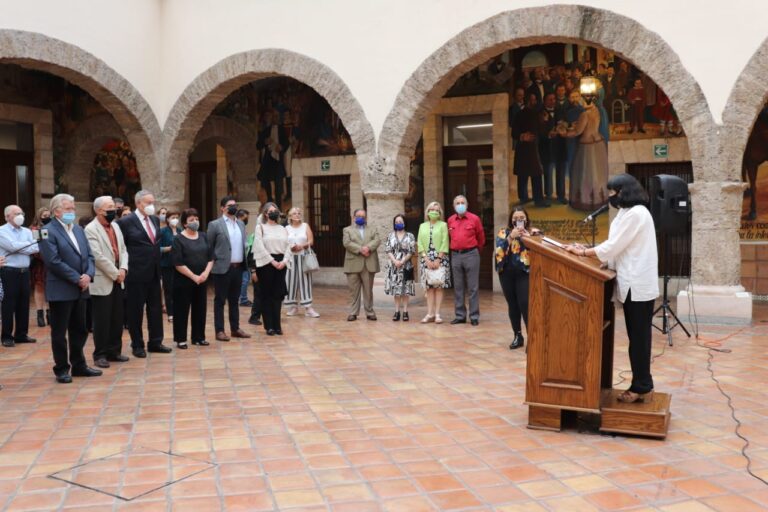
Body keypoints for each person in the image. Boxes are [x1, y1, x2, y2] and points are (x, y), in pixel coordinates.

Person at [566, 174, 659, 403]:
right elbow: (617, 248)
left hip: (638, 285)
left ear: (624, 191)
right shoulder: (626, 213)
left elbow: (614, 246)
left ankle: (641, 385)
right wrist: (594, 255)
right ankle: (641, 383)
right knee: (636, 337)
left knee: (638, 338)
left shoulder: (637, 213)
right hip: (630, 283)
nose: (610, 196)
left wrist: (584, 252)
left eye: (613, 192)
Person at [39, 194, 101, 383]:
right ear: (56, 211)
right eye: (68, 209)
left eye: (73, 208)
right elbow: (53, 261)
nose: (72, 212)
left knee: (79, 329)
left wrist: (88, 275)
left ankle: (79, 365)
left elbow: (90, 256)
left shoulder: (79, 230)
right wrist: (77, 278)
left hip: (81, 288)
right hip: (62, 289)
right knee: (59, 332)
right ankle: (62, 368)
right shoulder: (47, 231)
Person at [116, 189, 172, 358]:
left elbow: (155, 243)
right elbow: (121, 248)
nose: (151, 206)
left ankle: (156, 342)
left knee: (155, 309)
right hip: (135, 273)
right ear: (138, 203)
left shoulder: (154, 220)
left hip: (155, 272)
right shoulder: (126, 222)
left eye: (153, 202)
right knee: (136, 311)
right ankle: (137, 344)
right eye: (148, 203)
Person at [85, 196, 129, 368]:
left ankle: (114, 351)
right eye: (109, 208)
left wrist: (123, 269)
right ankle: (100, 354)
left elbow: (123, 250)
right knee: (102, 320)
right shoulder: (91, 229)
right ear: (98, 210)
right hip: (104, 278)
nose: (113, 210)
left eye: (114, 207)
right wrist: (115, 273)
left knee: (117, 318)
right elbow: (97, 256)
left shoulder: (116, 226)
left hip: (119, 276)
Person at [495, 207, 541, 350]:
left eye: (522, 217)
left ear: (526, 219)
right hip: (506, 273)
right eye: (516, 218)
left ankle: (531, 338)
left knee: (525, 304)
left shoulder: (534, 232)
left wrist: (528, 238)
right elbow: (499, 251)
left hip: (524, 273)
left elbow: (541, 248)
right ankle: (517, 336)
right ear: (511, 220)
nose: (519, 220)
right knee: (513, 305)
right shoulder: (504, 232)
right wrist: (511, 237)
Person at [207, 196, 251, 342]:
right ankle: (219, 331)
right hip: (222, 268)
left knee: (234, 300)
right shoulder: (215, 225)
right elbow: (209, 246)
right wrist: (213, 263)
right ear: (222, 208)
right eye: (229, 205)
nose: (233, 207)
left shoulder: (241, 224)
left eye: (235, 205)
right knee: (220, 300)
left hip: (238, 268)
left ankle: (235, 328)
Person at [248, 203, 292, 335]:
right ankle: (269, 326)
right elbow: (259, 246)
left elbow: (289, 245)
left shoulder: (283, 228)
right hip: (266, 263)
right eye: (271, 211)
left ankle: (277, 325)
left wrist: (284, 261)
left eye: (276, 211)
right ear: (266, 214)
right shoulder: (260, 227)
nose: (274, 213)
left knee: (277, 295)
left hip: (281, 263)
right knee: (266, 295)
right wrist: (272, 261)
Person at [172, 208, 213, 349]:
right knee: (181, 310)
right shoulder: (178, 239)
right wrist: (193, 276)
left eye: (196, 219)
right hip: (183, 281)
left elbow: (210, 257)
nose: (195, 222)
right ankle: (181, 339)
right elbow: (178, 263)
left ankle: (198, 337)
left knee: (200, 309)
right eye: (191, 220)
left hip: (202, 279)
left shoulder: (203, 236)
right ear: (184, 224)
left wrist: (205, 274)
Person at [0, 204, 39, 347]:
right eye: (16, 213)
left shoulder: (28, 231)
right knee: (9, 304)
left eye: (21, 213)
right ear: (7, 216)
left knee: (24, 303)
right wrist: (26, 246)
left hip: (24, 271)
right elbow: (12, 246)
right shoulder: (1, 231)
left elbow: (36, 247)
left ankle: (21, 334)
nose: (20, 216)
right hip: (9, 272)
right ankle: (7, 336)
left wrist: (23, 246)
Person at [567, 90, 609, 211]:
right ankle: (599, 200)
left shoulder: (585, 114)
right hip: (598, 143)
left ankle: (587, 203)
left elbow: (578, 132)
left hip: (587, 147)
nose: (579, 101)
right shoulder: (596, 110)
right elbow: (591, 126)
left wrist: (563, 133)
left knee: (586, 175)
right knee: (598, 174)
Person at [447, 195, 485, 326]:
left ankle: (474, 316)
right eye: (457, 203)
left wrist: (475, 251)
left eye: (462, 202)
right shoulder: (451, 220)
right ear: (454, 206)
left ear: (467, 205)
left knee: (473, 287)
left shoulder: (474, 219)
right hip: (456, 255)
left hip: (471, 254)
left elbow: (481, 238)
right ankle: (460, 315)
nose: (460, 205)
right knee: (458, 287)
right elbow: (449, 237)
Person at [342, 208, 380, 321]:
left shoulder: (372, 229)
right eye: (358, 216)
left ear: (366, 218)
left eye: (363, 216)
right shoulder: (347, 230)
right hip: (353, 263)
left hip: (368, 263)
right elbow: (347, 243)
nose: (361, 218)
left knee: (368, 290)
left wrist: (368, 248)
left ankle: (370, 312)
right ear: (353, 217)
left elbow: (377, 240)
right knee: (354, 290)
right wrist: (360, 249)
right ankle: (353, 312)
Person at [512, 93, 548, 207]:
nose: (535, 102)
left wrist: (544, 121)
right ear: (528, 101)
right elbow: (514, 133)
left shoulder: (537, 114)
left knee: (535, 173)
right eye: (532, 100)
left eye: (535, 100)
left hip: (533, 148)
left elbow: (541, 131)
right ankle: (527, 198)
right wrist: (523, 136)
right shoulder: (520, 114)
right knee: (526, 174)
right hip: (525, 148)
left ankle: (536, 200)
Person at [417, 201, 450, 323]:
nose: (434, 212)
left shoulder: (443, 225)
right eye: (431, 209)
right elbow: (419, 242)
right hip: (426, 259)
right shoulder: (422, 226)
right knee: (429, 287)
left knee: (439, 286)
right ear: (427, 212)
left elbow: (445, 242)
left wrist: (438, 259)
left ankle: (437, 314)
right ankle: (429, 313)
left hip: (440, 258)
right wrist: (426, 259)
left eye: (436, 210)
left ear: (439, 212)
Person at [284, 207, 320, 318]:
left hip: (303, 257)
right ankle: (293, 307)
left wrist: (302, 246)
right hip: (290, 258)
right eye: (294, 213)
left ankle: (308, 308)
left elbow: (311, 241)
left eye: (299, 213)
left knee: (305, 282)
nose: (297, 215)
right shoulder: (286, 228)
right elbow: (284, 242)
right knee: (290, 282)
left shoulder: (305, 226)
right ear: (290, 216)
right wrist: (291, 247)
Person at [384, 213, 416, 321]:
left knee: (406, 290)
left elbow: (412, 251)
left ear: (404, 222)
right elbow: (388, 250)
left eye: (400, 221)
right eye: (396, 222)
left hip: (406, 265)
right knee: (396, 291)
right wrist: (395, 261)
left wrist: (402, 261)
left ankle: (405, 312)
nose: (398, 223)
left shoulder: (410, 236)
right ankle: (397, 311)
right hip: (394, 267)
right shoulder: (390, 235)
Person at [30, 207, 51, 327]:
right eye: (44, 215)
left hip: (51, 262)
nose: (47, 217)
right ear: (39, 216)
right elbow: (36, 248)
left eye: (49, 215)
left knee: (50, 287)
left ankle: (49, 313)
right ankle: (39, 314)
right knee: (39, 287)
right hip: (40, 262)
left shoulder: (53, 228)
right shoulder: (35, 229)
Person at [159, 209, 179, 323]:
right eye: (172, 217)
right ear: (167, 219)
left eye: (176, 217)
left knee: (178, 289)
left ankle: (178, 311)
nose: (175, 220)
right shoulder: (163, 231)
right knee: (169, 290)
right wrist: (169, 248)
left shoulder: (181, 230)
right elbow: (157, 248)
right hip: (167, 265)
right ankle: (170, 313)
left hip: (179, 265)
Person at [236, 209, 253, 307]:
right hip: (242, 257)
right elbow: (244, 243)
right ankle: (243, 299)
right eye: (246, 217)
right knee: (245, 279)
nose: (247, 220)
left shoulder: (240, 226)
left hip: (243, 256)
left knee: (244, 279)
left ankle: (242, 297)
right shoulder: (239, 225)